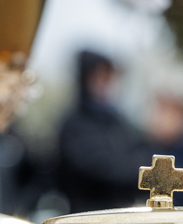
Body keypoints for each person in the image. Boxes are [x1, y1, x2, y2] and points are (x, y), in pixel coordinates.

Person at [57, 50, 148, 213]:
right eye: (100, 77)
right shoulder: (75, 124)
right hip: (85, 214)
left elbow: (142, 151)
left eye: (109, 77)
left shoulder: (118, 121)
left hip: (123, 213)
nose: (105, 84)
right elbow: (98, 169)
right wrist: (136, 171)